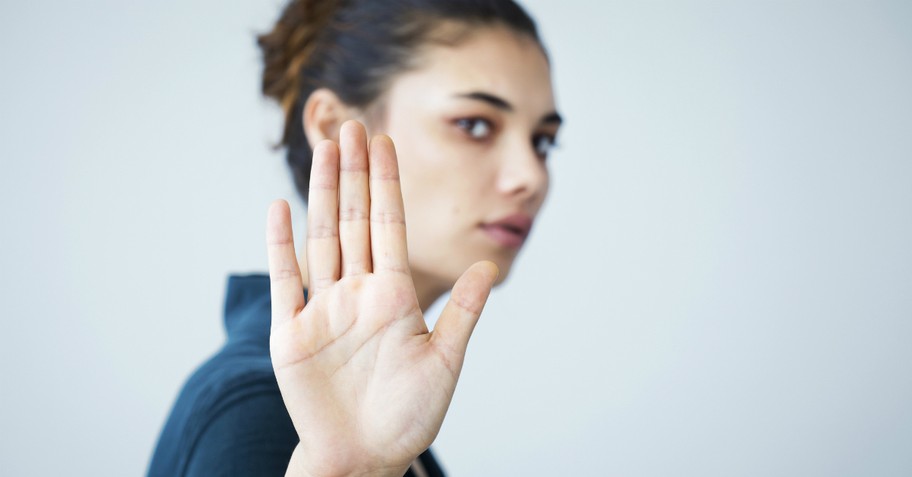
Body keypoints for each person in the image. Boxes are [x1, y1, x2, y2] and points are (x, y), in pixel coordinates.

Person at [148, 0, 562, 475]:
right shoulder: (262, 414)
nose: (530, 176)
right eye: (474, 125)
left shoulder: (369, 415)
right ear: (335, 128)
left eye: (543, 141)